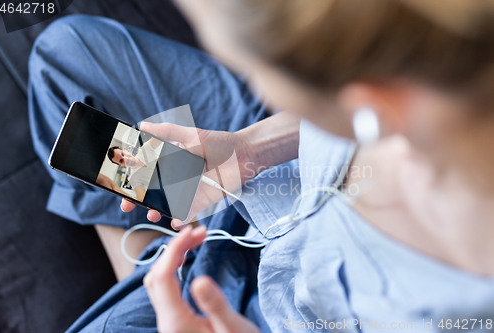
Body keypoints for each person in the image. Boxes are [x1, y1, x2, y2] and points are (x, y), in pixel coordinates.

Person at [28, 0, 494, 332]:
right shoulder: (444, 66)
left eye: (255, 73)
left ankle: (148, 275)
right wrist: (251, 149)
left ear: (370, 102)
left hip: (262, 312)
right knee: (65, 52)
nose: (258, 89)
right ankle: (152, 272)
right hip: (277, 183)